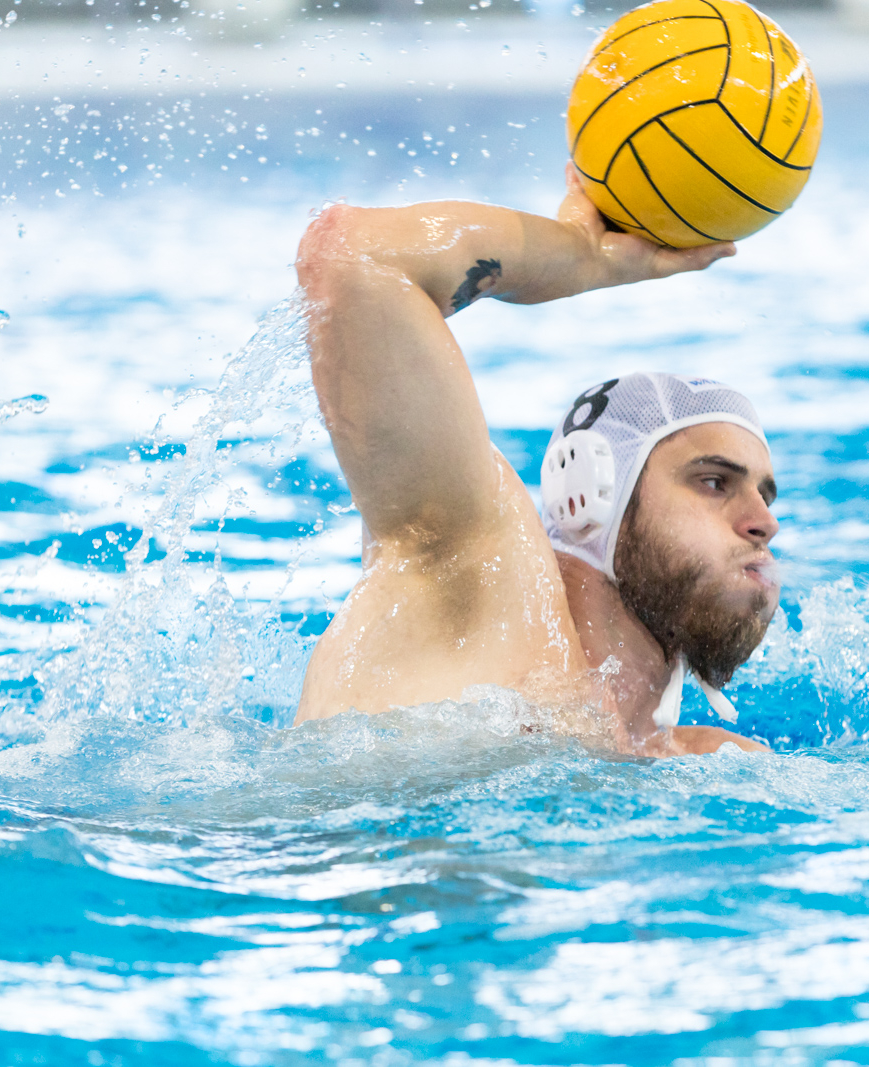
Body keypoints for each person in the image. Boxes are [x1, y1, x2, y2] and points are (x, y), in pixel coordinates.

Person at [293, 167, 780, 756]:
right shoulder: (478, 577)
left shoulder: (706, 759)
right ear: (594, 494)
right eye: (713, 482)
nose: (763, 522)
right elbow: (354, 258)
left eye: (766, 493)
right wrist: (582, 254)